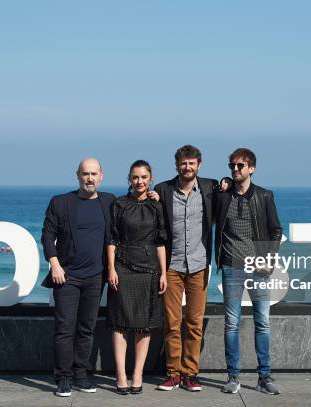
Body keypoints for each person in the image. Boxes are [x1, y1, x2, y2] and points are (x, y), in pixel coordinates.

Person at [41, 158, 115, 397]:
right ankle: (63, 377)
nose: (89, 178)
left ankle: (80, 374)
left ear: (101, 176)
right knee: (65, 329)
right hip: (67, 276)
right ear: (78, 175)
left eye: (94, 174)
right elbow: (47, 234)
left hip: (96, 277)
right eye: (85, 174)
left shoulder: (108, 201)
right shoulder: (61, 203)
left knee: (87, 328)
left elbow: (132, 208)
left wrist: (153, 197)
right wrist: (54, 264)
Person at [215, 148, 283, 395]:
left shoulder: (264, 196)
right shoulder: (223, 197)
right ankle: (233, 377)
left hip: (258, 267)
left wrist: (269, 258)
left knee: (262, 322)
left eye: (240, 166)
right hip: (232, 266)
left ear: (251, 168)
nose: (235, 169)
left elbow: (276, 230)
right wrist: (220, 184)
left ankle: (264, 377)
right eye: (231, 165)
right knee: (231, 323)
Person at [153, 145, 220, 392]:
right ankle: (173, 373)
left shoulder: (210, 188)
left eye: (191, 163)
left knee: (194, 323)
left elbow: (231, 188)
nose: (187, 167)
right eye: (183, 163)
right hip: (172, 266)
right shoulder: (163, 189)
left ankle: (191, 374)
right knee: (172, 322)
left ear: (199, 165)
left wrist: (225, 181)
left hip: (200, 265)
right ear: (176, 165)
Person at [107, 160, 168, 395]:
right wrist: (111, 268)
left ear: (150, 178)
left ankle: (138, 374)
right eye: (135, 177)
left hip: (150, 269)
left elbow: (160, 241)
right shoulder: (119, 204)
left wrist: (163, 272)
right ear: (129, 179)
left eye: (143, 177)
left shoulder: (156, 206)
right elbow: (111, 239)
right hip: (122, 267)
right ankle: (121, 375)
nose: (139, 181)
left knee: (145, 326)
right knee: (119, 324)